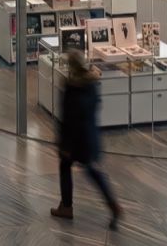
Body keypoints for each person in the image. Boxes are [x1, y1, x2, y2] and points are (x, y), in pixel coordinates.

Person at [50, 50, 123, 230]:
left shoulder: (71, 86)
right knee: (91, 170)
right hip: (90, 135)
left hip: (75, 139)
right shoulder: (92, 84)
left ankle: (66, 206)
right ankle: (112, 204)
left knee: (65, 166)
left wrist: (64, 143)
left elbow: (67, 117)